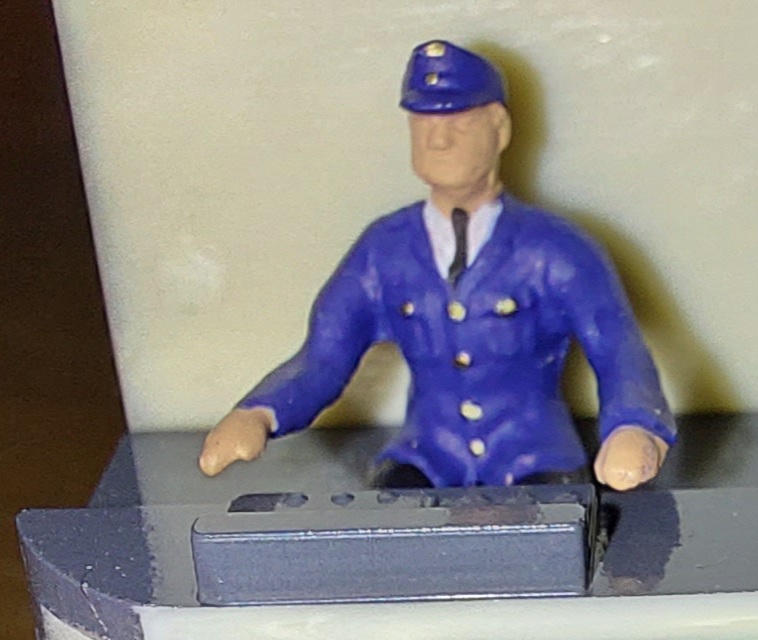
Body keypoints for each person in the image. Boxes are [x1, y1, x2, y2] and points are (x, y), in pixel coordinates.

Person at [199, 40, 674, 491]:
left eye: (459, 124)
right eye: (423, 126)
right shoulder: (383, 249)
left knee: (551, 535)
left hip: (535, 459)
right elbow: (325, 354)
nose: (439, 141)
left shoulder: (556, 249)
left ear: (500, 130)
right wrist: (259, 413)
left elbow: (618, 349)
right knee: (392, 529)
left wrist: (634, 428)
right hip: (427, 457)